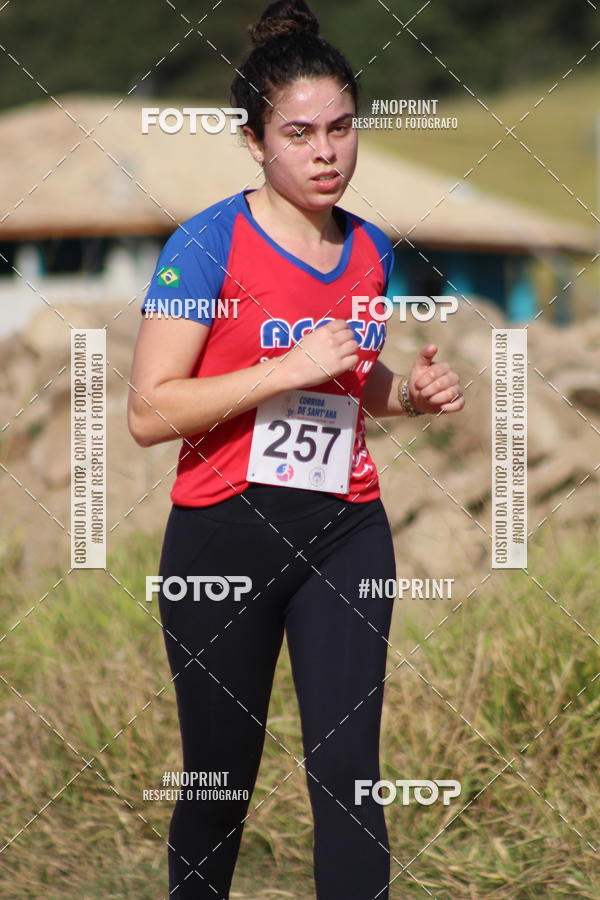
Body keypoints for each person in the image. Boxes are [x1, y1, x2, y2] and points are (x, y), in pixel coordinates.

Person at [128, 2, 464, 897]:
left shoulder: (369, 251)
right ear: (255, 141)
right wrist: (283, 368)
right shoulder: (205, 244)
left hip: (346, 530)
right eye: (301, 133)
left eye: (343, 129)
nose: (327, 152)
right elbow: (151, 411)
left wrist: (409, 398)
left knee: (353, 783)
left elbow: (347, 385)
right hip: (222, 541)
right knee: (219, 785)